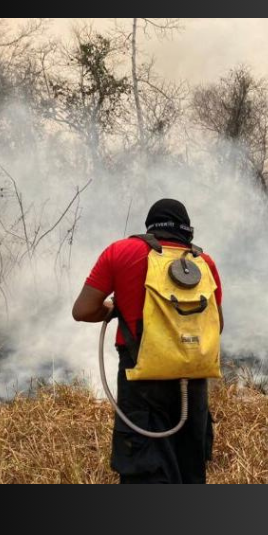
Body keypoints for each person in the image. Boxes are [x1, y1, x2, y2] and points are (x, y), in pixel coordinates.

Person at [72, 199, 224, 483]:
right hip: (192, 382)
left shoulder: (121, 251)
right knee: (190, 469)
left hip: (141, 379)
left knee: (145, 469)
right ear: (187, 230)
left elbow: (82, 310)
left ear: (150, 227)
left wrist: (115, 308)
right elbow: (218, 324)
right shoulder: (204, 262)